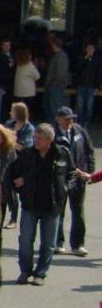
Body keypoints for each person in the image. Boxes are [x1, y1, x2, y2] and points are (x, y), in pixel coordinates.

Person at [9, 123, 70, 285]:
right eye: (35, 137)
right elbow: (12, 173)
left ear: (50, 140)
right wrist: (19, 185)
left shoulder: (61, 154)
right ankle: (25, 270)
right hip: (30, 204)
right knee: (25, 241)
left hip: (52, 206)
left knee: (48, 243)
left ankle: (40, 274)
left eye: (40, 138)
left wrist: (65, 189)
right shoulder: (28, 155)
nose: (36, 141)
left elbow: (72, 174)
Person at [53, 106, 94, 256]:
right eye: (66, 118)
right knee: (59, 211)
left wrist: (89, 171)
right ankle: (57, 242)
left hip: (78, 178)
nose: (70, 121)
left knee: (78, 211)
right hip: (60, 178)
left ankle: (78, 244)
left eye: (71, 118)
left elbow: (89, 151)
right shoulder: (52, 133)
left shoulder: (79, 131)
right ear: (58, 119)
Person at [75, 40, 102, 127]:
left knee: (89, 106)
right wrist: (86, 58)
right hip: (81, 85)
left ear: (94, 49)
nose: (90, 50)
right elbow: (78, 68)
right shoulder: (81, 58)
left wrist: (98, 85)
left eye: (92, 48)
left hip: (91, 86)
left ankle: (86, 123)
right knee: (80, 106)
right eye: (89, 48)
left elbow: (98, 73)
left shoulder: (97, 60)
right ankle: (80, 123)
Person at [44, 34, 69, 120]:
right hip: (53, 84)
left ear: (55, 45)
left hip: (56, 85)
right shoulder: (57, 55)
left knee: (55, 107)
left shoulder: (61, 56)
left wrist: (52, 83)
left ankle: (55, 124)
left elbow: (60, 73)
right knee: (50, 106)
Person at [0, 36, 16, 122]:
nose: (7, 47)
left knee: (9, 102)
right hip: (2, 82)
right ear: (1, 46)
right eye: (5, 45)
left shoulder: (12, 55)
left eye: (8, 45)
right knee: (2, 103)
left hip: (11, 83)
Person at [12, 46, 39, 118]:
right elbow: (37, 76)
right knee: (27, 110)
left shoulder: (18, 65)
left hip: (18, 92)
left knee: (17, 109)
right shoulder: (30, 65)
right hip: (28, 92)